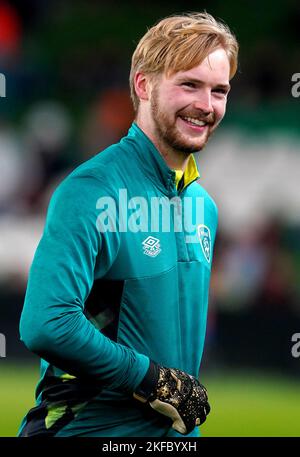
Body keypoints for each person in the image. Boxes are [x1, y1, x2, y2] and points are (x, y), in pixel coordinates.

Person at [18, 12, 238, 437]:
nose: (206, 106)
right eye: (189, 85)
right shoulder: (91, 189)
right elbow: (46, 323)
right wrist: (151, 378)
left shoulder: (203, 206)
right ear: (143, 85)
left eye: (219, 91)